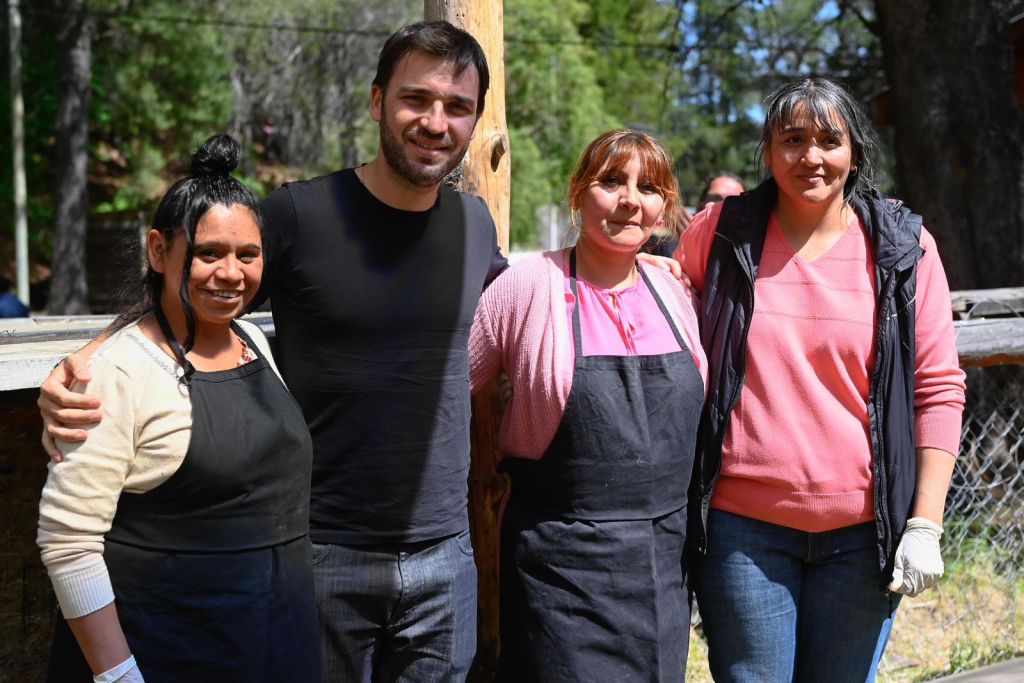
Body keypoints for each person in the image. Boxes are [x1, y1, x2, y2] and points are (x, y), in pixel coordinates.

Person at [37, 21, 682, 681]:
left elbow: (547, 295)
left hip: (446, 557)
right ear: (377, 102)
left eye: (457, 107)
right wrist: (88, 357)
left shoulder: (472, 223)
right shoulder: (298, 215)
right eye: (416, 100)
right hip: (318, 554)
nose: (436, 122)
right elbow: (193, 281)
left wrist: (654, 272)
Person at [677, 78, 966, 682]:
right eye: (793, 139)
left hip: (863, 539)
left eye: (829, 140)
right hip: (741, 533)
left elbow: (936, 386)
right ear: (768, 150)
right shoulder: (721, 234)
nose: (811, 155)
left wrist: (925, 524)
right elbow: (665, 310)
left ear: (854, 152)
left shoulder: (904, 248)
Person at [37, 135, 320, 682]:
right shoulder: (117, 372)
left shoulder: (252, 341)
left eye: (248, 255)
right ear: (158, 251)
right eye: (208, 253)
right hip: (166, 655)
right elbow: (68, 542)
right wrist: (118, 675)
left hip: (271, 644)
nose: (231, 273)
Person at [470, 130, 707, 682]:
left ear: (665, 208)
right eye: (611, 182)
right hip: (560, 571)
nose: (630, 199)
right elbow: (445, 387)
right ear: (578, 193)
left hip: (663, 566)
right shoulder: (527, 287)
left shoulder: (677, 293)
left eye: (648, 187)